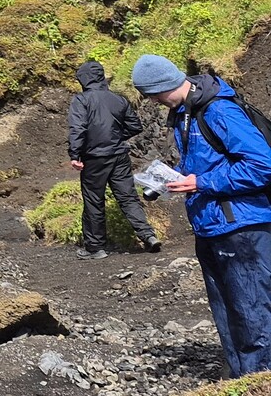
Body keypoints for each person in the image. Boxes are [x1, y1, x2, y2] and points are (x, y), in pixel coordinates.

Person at [133, 53, 271, 377]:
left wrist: (201, 182)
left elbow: (263, 165)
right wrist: (172, 179)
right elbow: (205, 162)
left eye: (151, 94)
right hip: (210, 226)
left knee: (253, 312)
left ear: (163, 85)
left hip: (242, 227)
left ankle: (258, 380)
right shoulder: (184, 113)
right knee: (227, 312)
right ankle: (239, 379)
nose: (151, 101)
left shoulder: (218, 109)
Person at [67, 59, 159, 258]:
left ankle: (95, 248)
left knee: (93, 200)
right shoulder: (118, 99)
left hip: (93, 158)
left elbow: (78, 128)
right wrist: (115, 136)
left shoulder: (81, 100)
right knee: (128, 197)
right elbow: (135, 126)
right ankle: (148, 236)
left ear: (83, 80)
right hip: (119, 155)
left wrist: (75, 154)